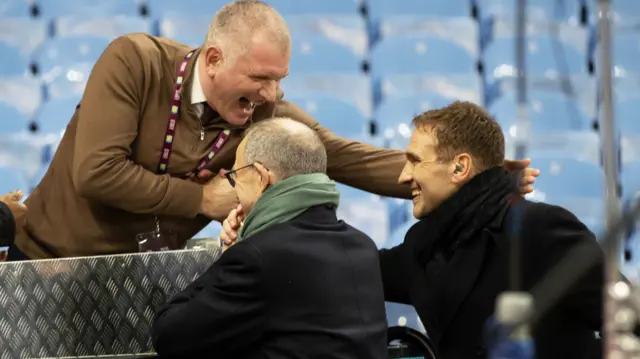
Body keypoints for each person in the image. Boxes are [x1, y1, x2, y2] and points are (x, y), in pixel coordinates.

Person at [10, 0, 536, 261]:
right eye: (259, 78)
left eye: (279, 81)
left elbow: (344, 157)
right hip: (45, 266)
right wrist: (203, 200)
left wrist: (472, 177)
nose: (270, 95)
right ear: (213, 59)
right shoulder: (135, 62)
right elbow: (96, 172)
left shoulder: (264, 109)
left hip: (143, 287)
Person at [221, 101, 603, 359]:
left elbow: (621, 320)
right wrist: (259, 236)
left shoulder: (541, 229)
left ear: (459, 167)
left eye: (414, 161)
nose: (403, 176)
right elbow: (342, 268)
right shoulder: (424, 244)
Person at [152, 117, 388, 358]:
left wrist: (231, 254)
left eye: (236, 176)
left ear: (260, 177)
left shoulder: (259, 257)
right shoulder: (364, 247)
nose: (235, 190)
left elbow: (170, 335)